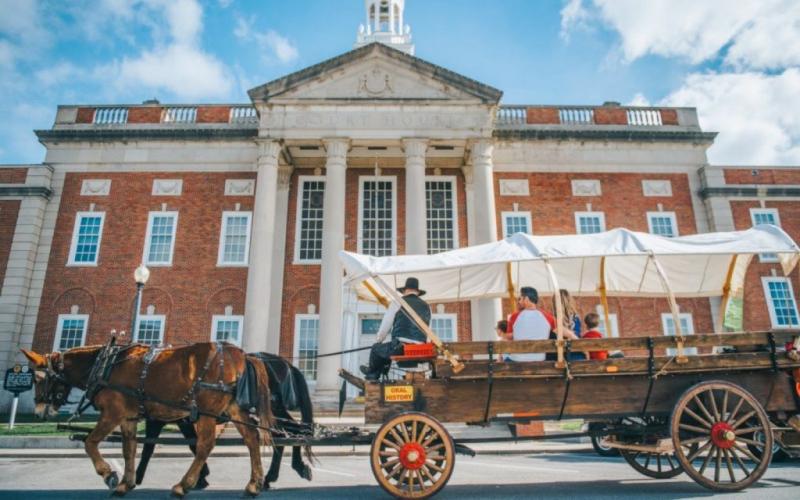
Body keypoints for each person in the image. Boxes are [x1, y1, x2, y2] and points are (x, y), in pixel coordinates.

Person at [360, 277, 431, 381]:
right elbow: (428, 331)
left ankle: (372, 374)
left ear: (404, 290)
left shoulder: (397, 302)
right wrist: (424, 346)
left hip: (401, 348)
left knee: (377, 349)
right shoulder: (427, 306)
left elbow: (385, 325)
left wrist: (379, 341)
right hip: (419, 349)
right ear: (418, 292)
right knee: (386, 349)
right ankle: (380, 371)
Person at [508, 287, 552, 362]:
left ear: (527, 299)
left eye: (520, 298)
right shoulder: (549, 317)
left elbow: (508, 338)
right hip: (540, 359)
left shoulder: (514, 317)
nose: (519, 301)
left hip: (517, 360)